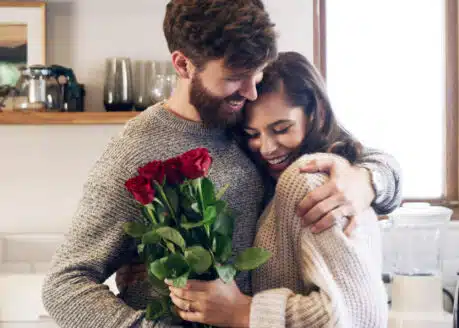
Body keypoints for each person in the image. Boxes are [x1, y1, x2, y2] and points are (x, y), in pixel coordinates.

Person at [42, 1, 400, 327]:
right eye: (234, 78)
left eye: (256, 73)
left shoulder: (253, 117)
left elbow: (349, 149)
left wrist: (367, 179)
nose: (250, 92)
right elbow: (64, 284)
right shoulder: (135, 152)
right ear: (183, 65)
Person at [157, 51, 389, 328]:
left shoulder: (308, 179)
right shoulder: (274, 181)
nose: (266, 148)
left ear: (317, 113)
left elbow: (361, 314)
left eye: (281, 129)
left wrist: (245, 312)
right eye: (253, 134)